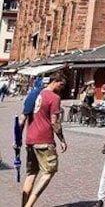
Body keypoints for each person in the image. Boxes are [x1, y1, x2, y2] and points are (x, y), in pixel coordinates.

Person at [21, 72, 68, 207]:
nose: (62, 88)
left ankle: (23, 204)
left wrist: (18, 137)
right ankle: (29, 205)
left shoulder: (35, 94)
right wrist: (62, 139)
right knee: (49, 171)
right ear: (56, 81)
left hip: (30, 139)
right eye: (61, 84)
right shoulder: (54, 97)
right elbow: (54, 122)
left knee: (31, 173)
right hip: (44, 140)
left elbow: (24, 116)